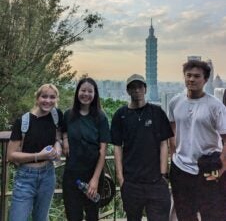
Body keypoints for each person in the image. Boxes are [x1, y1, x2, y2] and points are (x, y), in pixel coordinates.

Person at [111, 74, 174, 221]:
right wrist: (121, 178)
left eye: (140, 87)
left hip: (156, 182)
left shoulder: (157, 112)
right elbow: (117, 147)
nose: (137, 90)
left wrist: (163, 174)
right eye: (133, 87)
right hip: (131, 183)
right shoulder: (120, 115)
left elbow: (164, 143)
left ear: (145, 89)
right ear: (128, 91)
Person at [169, 60, 226, 221]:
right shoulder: (175, 102)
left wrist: (221, 169)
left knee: (212, 215)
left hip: (207, 167)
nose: (191, 79)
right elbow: (171, 130)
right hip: (180, 169)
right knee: (185, 215)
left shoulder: (215, 106)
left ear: (205, 80)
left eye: (196, 76)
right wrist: (173, 155)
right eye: (188, 75)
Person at [7, 84, 63, 221]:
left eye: (52, 97)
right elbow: (11, 155)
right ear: (37, 98)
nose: (48, 101)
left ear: (56, 100)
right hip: (25, 177)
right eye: (44, 96)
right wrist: (39, 155)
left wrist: (58, 145)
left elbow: (58, 136)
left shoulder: (56, 116)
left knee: (41, 218)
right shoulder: (23, 121)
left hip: (48, 175)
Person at [61, 77, 110, 221]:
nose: (86, 94)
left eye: (90, 91)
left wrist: (94, 180)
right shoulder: (68, 114)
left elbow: (103, 151)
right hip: (71, 174)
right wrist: (64, 140)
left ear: (95, 94)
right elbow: (63, 130)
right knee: (73, 215)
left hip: (93, 173)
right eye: (83, 90)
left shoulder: (101, 117)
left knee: (92, 215)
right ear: (77, 92)